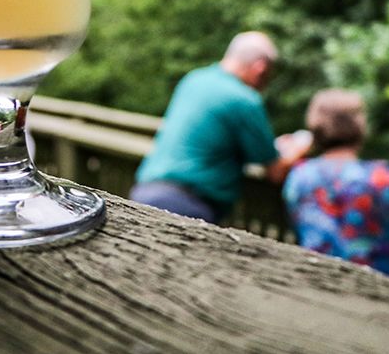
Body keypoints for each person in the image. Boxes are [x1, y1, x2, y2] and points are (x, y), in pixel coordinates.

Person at [129, 32, 305, 223]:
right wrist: (302, 145)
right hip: (187, 207)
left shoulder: (194, 79)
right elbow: (275, 171)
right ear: (260, 68)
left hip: (144, 190)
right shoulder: (244, 99)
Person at [283, 88, 389, 277]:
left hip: (314, 279)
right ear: (360, 127)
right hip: (371, 288)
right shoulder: (377, 179)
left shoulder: (299, 176)